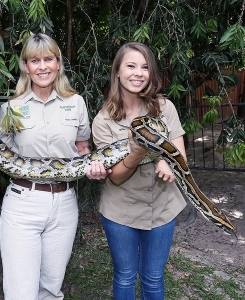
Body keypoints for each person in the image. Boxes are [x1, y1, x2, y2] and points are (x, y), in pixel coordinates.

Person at [0, 33, 109, 299]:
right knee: (20, 291)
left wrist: (92, 165)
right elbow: (0, 157)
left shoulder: (76, 102)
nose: (43, 66)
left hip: (65, 202)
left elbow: (83, 147)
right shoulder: (11, 107)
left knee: (51, 286)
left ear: (58, 63)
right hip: (24, 201)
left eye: (49, 59)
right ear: (25, 66)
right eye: (35, 60)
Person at [91, 42, 187, 300]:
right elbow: (118, 177)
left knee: (154, 277)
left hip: (163, 207)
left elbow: (181, 156)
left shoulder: (164, 108)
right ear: (118, 72)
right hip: (121, 211)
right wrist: (138, 151)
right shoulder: (103, 120)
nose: (138, 73)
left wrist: (169, 161)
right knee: (124, 274)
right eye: (131, 65)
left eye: (145, 67)